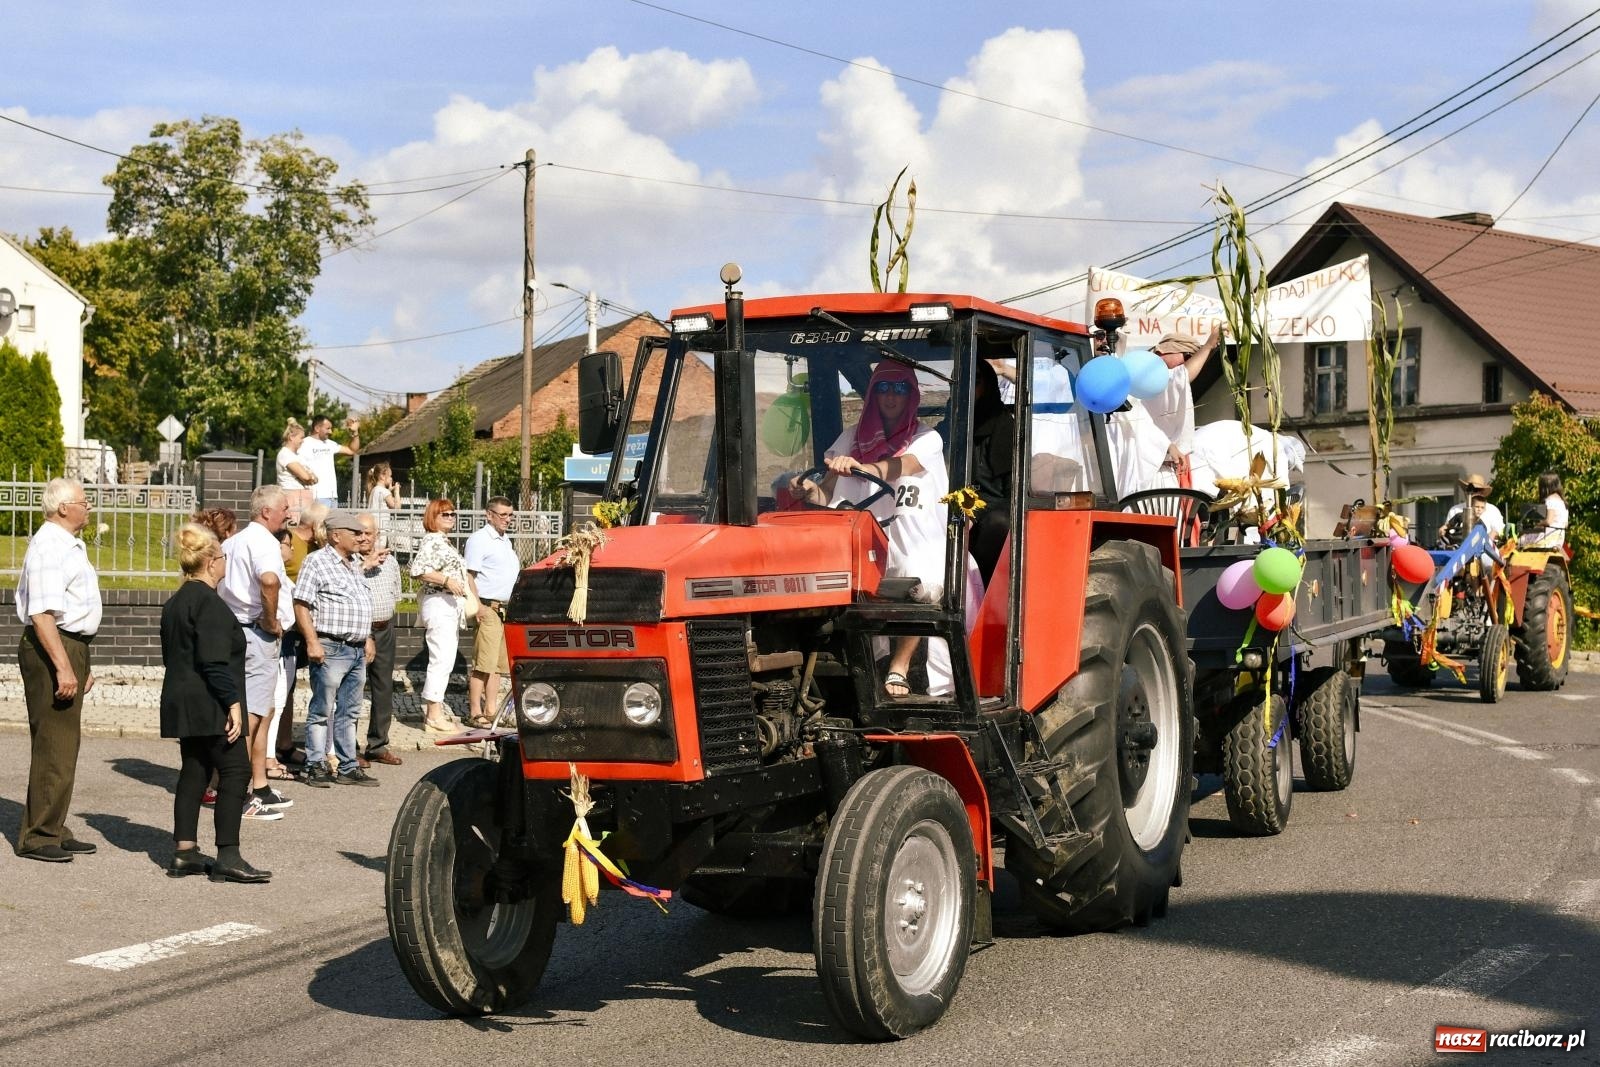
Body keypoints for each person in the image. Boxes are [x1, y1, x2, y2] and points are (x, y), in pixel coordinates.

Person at [788, 362, 953, 697]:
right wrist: (805, 489)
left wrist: (862, 467)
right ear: (874, 393)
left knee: (920, 575)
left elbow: (900, 466)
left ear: (912, 395)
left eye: (900, 388)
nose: (891, 396)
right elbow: (826, 493)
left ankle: (898, 667)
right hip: (862, 538)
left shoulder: (926, 438)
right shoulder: (850, 438)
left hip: (912, 537)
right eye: (884, 388)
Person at [160, 524, 271, 883]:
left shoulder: (176, 601)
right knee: (236, 771)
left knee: (194, 770)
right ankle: (229, 854)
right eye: (222, 557)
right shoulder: (210, 604)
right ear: (210, 562)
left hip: (183, 700)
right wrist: (233, 704)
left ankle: (185, 851)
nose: (225, 563)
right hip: (210, 702)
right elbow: (213, 661)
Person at [14, 478, 101, 863]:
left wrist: (82, 663)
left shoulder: (66, 543)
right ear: (64, 508)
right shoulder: (50, 545)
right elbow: (43, 613)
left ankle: (54, 825)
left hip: (68, 645)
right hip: (53, 646)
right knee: (54, 742)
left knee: (65, 743)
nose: (89, 507)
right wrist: (64, 667)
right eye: (84, 502)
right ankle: (39, 835)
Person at [293, 509, 379, 787]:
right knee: (322, 709)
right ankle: (314, 764)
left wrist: (366, 637)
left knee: (350, 711)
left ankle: (347, 766)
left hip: (355, 649)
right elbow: (301, 604)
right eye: (354, 533)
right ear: (335, 535)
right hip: (331, 646)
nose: (360, 537)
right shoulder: (316, 562)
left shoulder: (354, 563)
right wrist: (312, 641)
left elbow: (359, 603)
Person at [410, 498, 469, 732]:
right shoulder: (433, 541)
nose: (451, 517)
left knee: (444, 659)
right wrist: (447, 580)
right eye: (445, 514)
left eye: (453, 514)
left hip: (447, 604)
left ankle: (435, 710)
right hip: (439, 603)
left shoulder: (443, 542)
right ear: (432, 517)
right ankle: (433, 714)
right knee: (441, 659)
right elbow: (418, 570)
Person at [464, 495, 519, 727]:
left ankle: (491, 709)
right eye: (503, 515)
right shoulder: (479, 539)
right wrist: (479, 607)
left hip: (504, 609)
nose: (507, 519)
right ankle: (475, 711)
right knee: (482, 663)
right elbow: (469, 575)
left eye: (510, 515)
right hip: (488, 606)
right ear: (489, 514)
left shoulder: (505, 540)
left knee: (497, 666)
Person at [357, 511, 403, 766]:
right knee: (352, 690)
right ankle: (347, 748)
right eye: (359, 533)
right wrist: (365, 565)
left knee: (384, 688)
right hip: (360, 631)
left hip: (385, 628)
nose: (364, 538)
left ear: (377, 535)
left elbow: (395, 593)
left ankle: (377, 744)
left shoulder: (391, 562)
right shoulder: (349, 561)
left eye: (368, 533)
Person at [1147, 325, 1222, 484]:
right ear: (1164, 351)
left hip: (1169, 467)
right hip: (1149, 470)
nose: (1189, 362)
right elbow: (1180, 377)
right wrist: (1208, 345)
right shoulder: (1147, 377)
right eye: (1188, 356)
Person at [969, 358, 1015, 584]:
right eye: (961, 380)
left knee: (998, 525)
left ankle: (986, 594)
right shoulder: (949, 423)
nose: (968, 387)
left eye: (975, 380)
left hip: (994, 505)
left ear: (986, 385)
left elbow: (1011, 493)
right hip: (955, 503)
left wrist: (973, 512)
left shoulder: (1003, 425)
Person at [299, 415, 360, 507]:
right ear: (317, 428)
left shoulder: (330, 444)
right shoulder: (303, 444)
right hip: (315, 496)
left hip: (332, 497)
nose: (330, 432)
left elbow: (352, 450)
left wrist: (355, 433)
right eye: (328, 428)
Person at [1439, 473, 1504, 544]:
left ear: (1482, 492)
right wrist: (1442, 531)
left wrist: (1489, 539)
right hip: (1458, 548)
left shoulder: (1492, 510)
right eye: (1469, 489)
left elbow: (1499, 531)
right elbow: (1447, 530)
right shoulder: (1455, 510)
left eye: (1476, 490)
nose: (1472, 492)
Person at [275, 419, 317, 518]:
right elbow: (306, 477)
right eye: (301, 438)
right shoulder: (285, 454)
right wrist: (308, 477)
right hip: (292, 498)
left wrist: (309, 477)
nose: (303, 441)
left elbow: (315, 478)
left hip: (302, 497)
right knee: (294, 530)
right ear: (291, 437)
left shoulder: (297, 455)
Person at [1520, 472, 1568, 550]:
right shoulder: (1562, 502)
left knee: (1520, 540)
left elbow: (1549, 521)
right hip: (1559, 539)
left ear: (1545, 487)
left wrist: (1538, 524)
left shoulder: (1550, 500)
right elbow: (1566, 525)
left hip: (1548, 538)